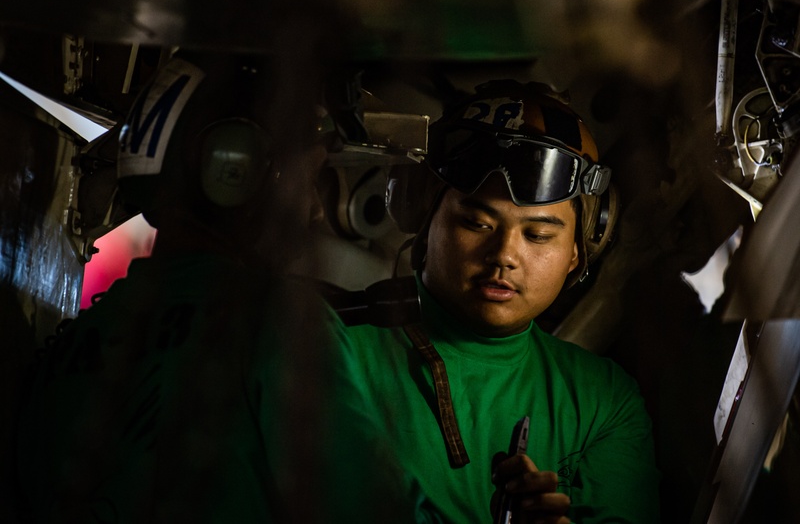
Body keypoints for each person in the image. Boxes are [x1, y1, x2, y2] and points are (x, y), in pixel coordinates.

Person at [15, 53, 436, 523]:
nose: (316, 210)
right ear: (235, 172)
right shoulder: (280, 324)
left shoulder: (68, 346)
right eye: (308, 178)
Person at [350, 79, 661, 523]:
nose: (504, 256)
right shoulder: (334, 348)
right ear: (423, 213)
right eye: (476, 223)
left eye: (538, 235)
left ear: (578, 250)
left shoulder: (603, 403)